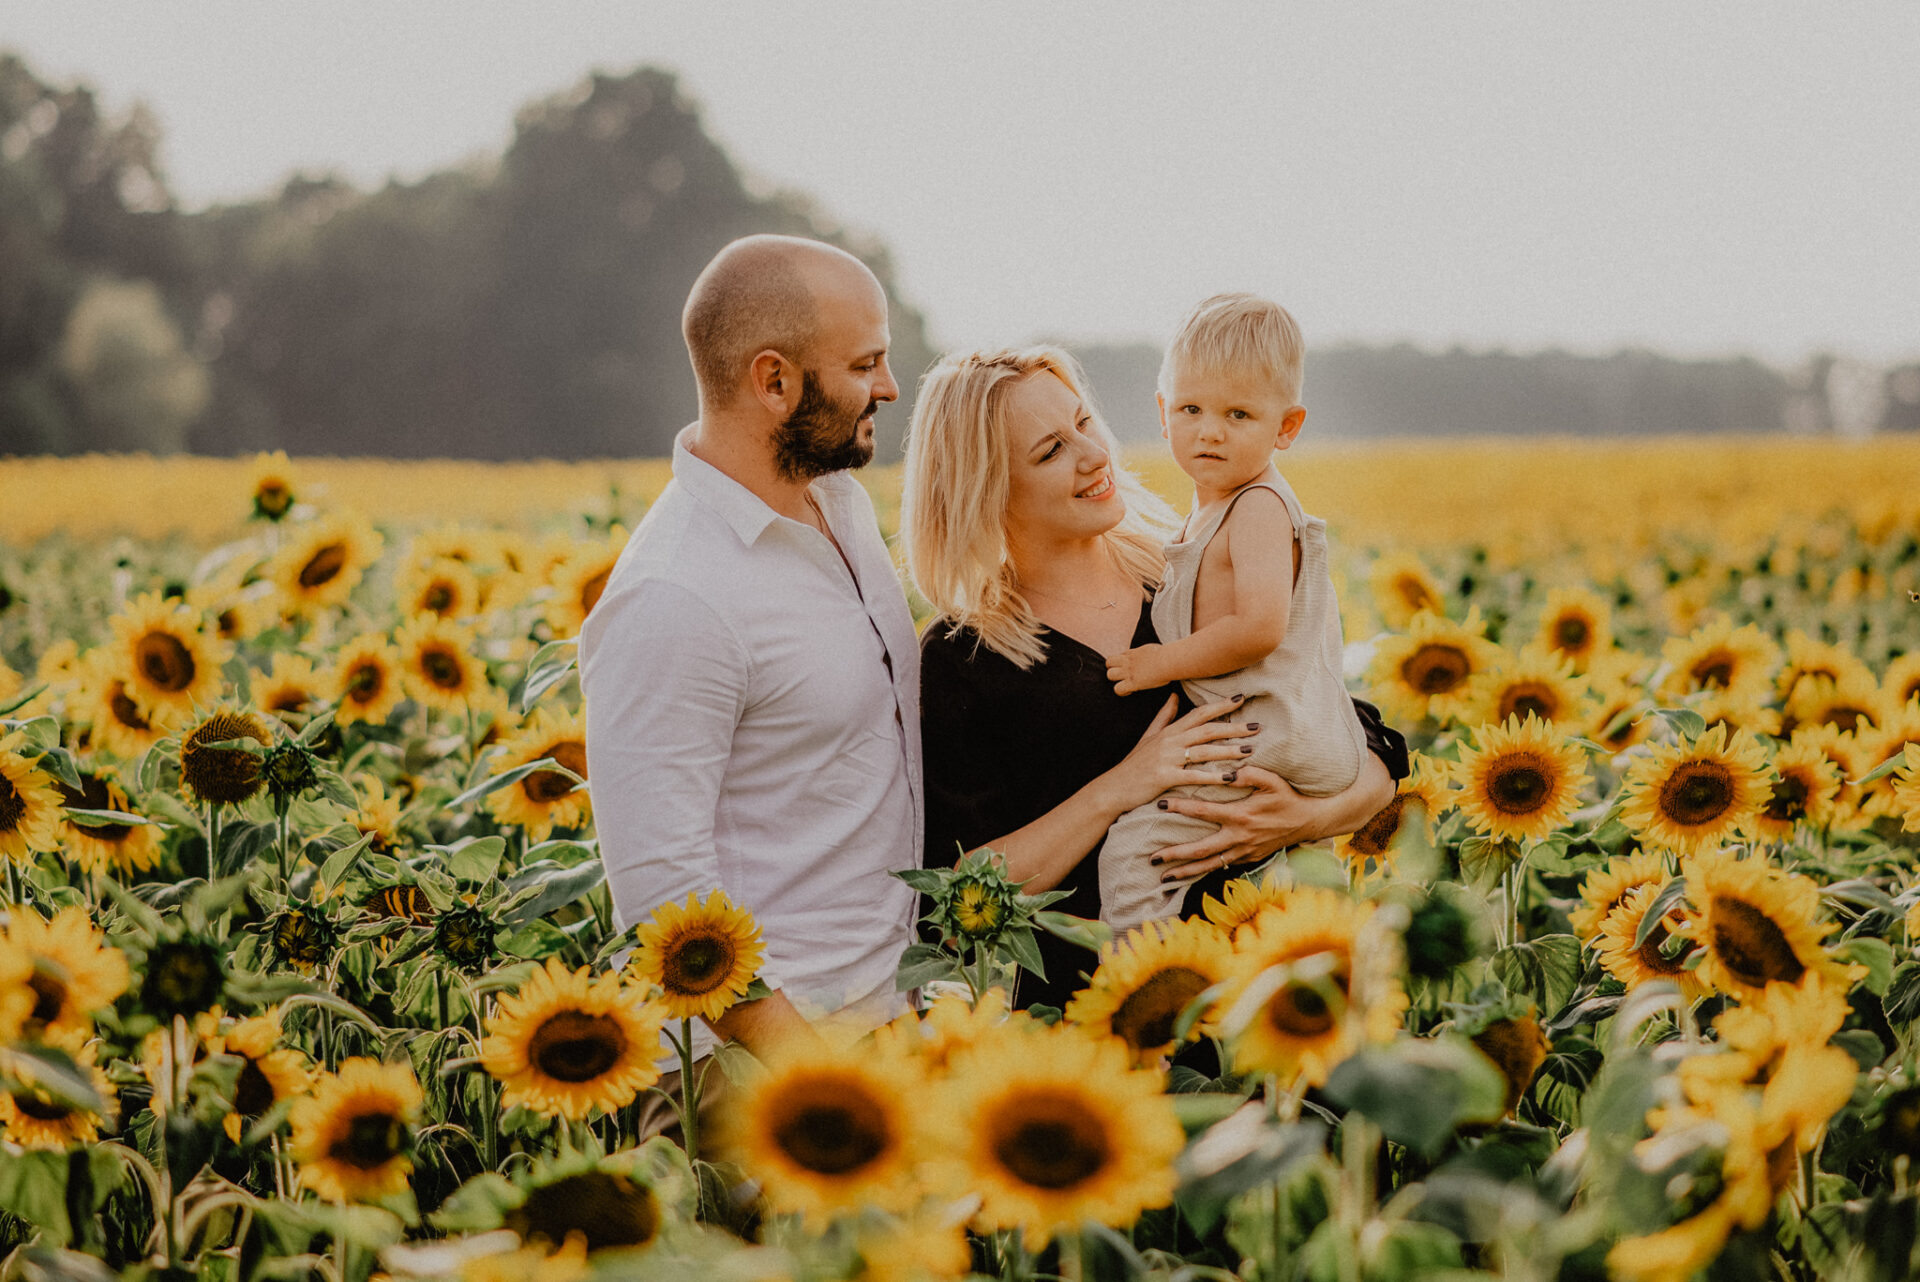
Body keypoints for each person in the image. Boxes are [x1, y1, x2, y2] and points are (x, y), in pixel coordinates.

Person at [901, 346, 1406, 1013]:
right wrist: (1119, 790)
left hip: (1281, 990)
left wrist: (1298, 819)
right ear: (986, 488)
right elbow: (955, 894)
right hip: (1102, 1015)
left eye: (1085, 423)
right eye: (1052, 450)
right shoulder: (964, 656)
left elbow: (1371, 743)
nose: (1093, 455)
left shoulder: (1187, 572)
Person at [580, 234, 920, 1071]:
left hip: (887, 1023)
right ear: (774, 380)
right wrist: (819, 1088)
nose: (889, 386)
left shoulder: (835, 502)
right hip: (763, 1076)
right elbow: (665, 903)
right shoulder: (674, 595)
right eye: (865, 363)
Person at [1098, 294, 1369, 934]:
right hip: (1278, 733)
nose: (1210, 430)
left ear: (1287, 427)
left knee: (1136, 854)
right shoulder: (1216, 508)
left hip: (1260, 734)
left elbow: (1259, 628)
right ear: (1163, 414)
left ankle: (1141, 987)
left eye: (1238, 413)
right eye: (1191, 409)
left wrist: (1162, 662)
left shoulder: (1257, 509)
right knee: (1300, 892)